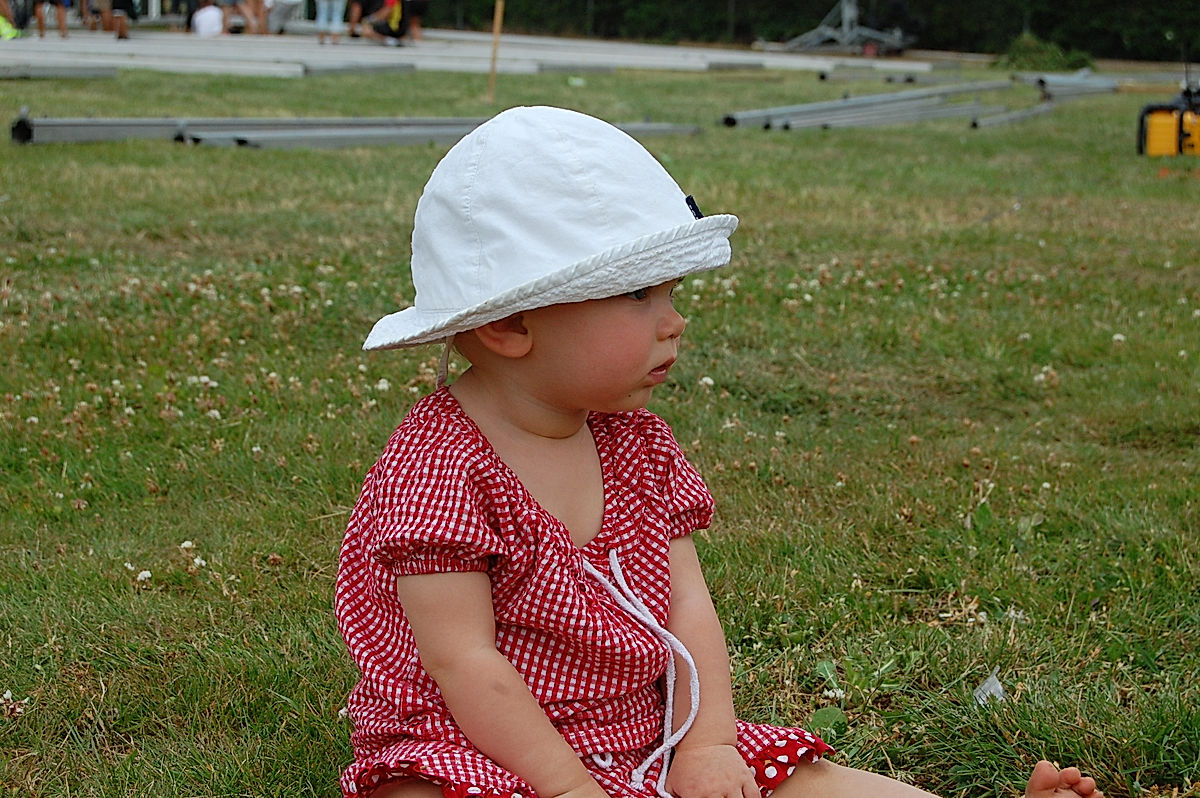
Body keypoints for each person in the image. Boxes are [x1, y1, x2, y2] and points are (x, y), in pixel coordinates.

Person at [335, 106, 1105, 798]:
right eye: (639, 296)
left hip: (642, 732)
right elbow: (462, 662)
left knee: (807, 779)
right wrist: (568, 787)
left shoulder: (635, 442)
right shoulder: (440, 466)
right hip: (480, 746)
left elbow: (686, 603)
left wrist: (704, 745)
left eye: (671, 293)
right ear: (511, 326)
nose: (672, 323)